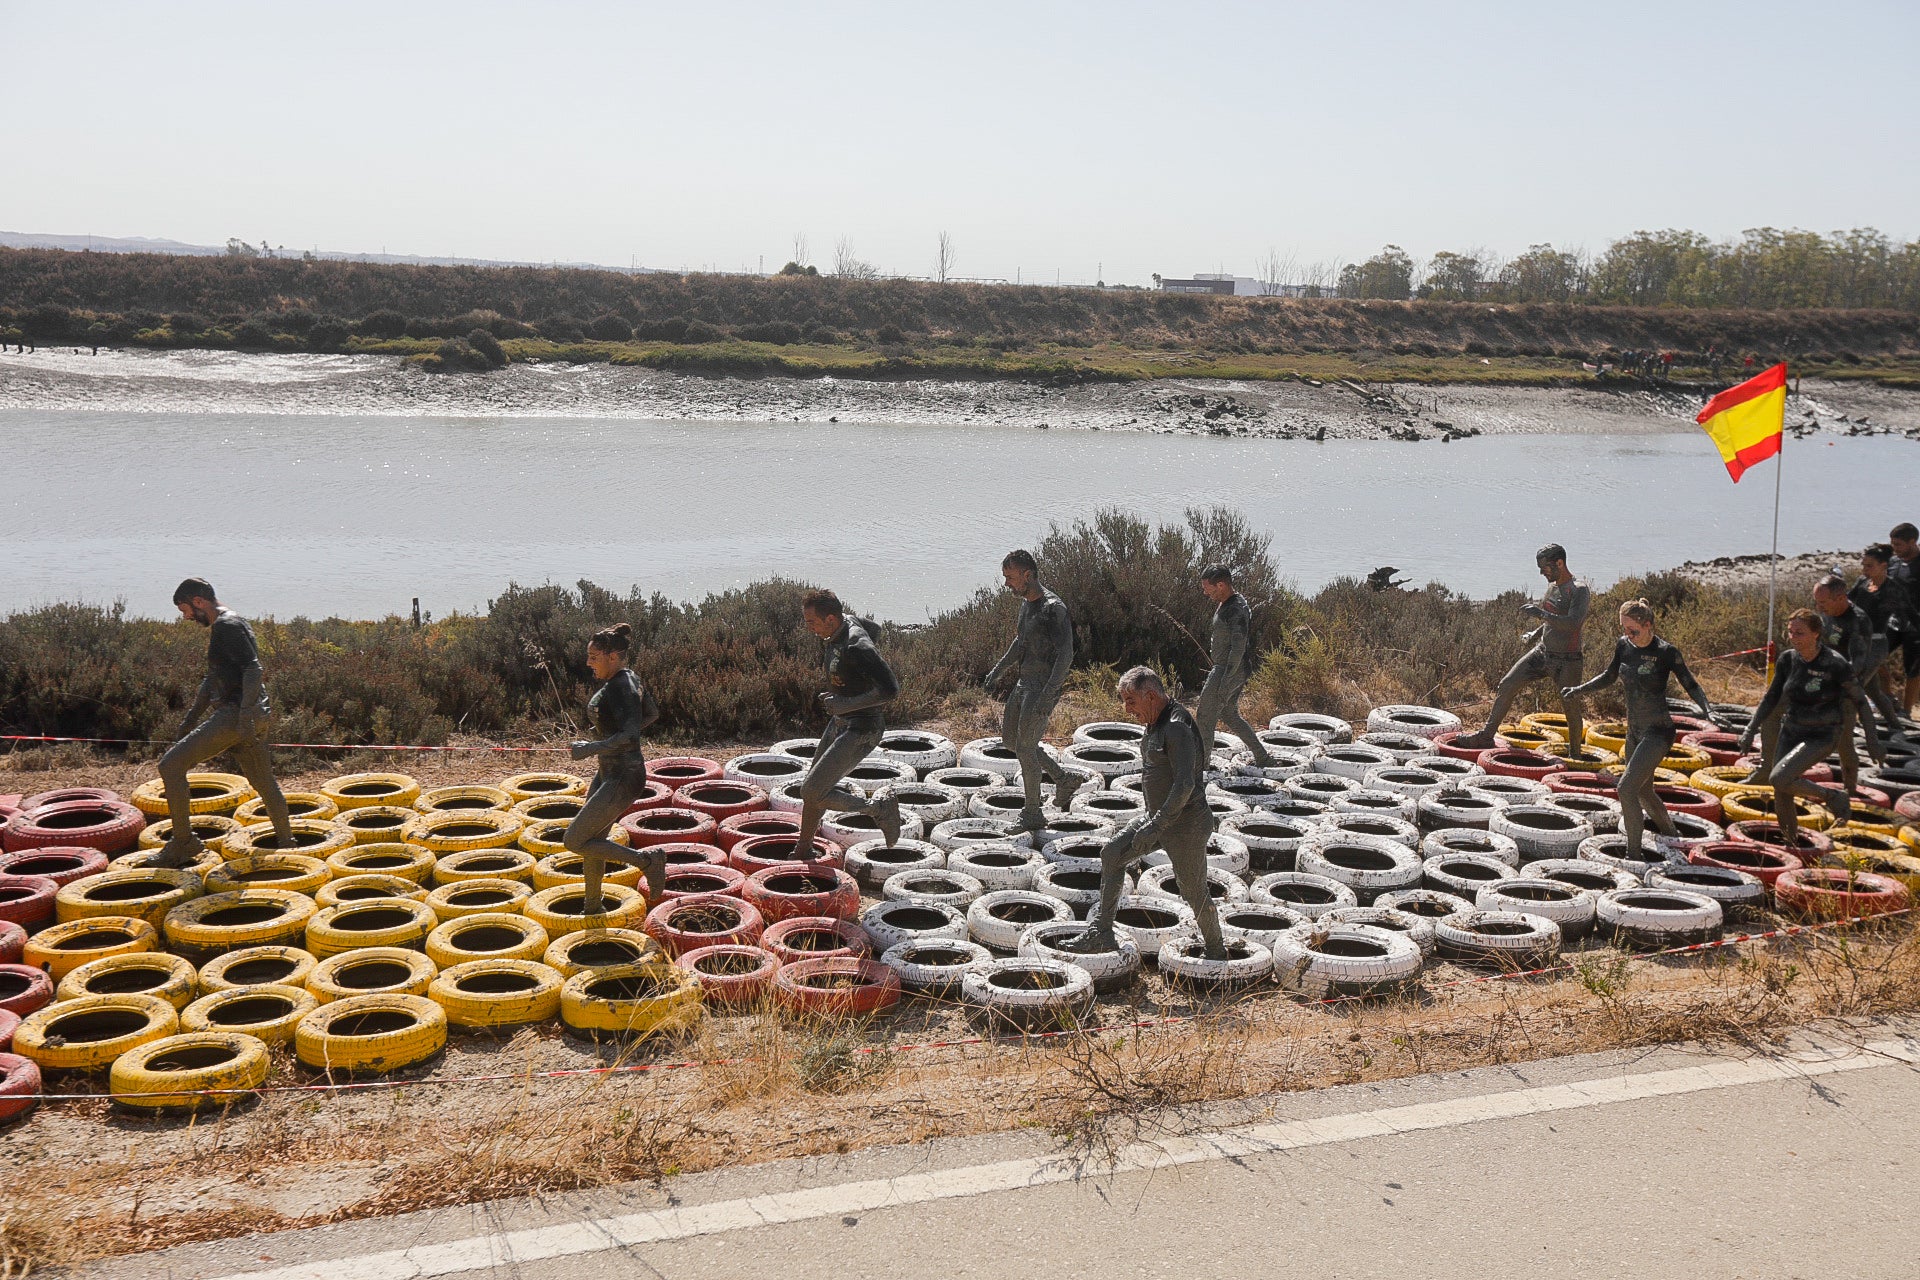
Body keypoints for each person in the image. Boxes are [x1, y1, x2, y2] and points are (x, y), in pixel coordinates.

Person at [1065, 666, 1227, 960]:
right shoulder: (1157, 720)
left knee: (1193, 891)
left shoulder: (1176, 726)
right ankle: (1102, 933)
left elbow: (1185, 783)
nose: (1127, 709)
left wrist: (1156, 826)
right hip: (1158, 817)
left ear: (1151, 696)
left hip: (1184, 823)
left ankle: (1217, 952)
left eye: (1130, 701)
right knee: (1112, 854)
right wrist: (1154, 822)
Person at [1561, 600, 1720, 865]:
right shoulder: (1624, 646)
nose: (1628, 636)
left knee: (1626, 788)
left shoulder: (1667, 652)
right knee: (1644, 792)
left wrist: (1708, 710)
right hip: (1634, 731)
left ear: (1648, 626)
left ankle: (1632, 856)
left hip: (1658, 732)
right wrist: (1578, 690)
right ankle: (1673, 836)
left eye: (1633, 631)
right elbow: (1609, 676)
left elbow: (1691, 684)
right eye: (1624, 629)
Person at [152, 578, 293, 868]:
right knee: (263, 781)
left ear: (199, 602)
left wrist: (242, 718)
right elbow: (213, 678)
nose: (186, 617)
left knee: (170, 766)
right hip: (252, 715)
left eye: (185, 610)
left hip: (237, 716)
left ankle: (184, 842)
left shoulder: (227, 626)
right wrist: (191, 718)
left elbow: (254, 670)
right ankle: (287, 844)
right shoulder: (230, 625)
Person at [1736, 608, 1883, 840]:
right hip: (1792, 729)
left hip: (1823, 734)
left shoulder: (1835, 664)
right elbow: (1771, 698)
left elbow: (1862, 703)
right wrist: (1750, 729)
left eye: (1800, 633)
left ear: (1816, 634)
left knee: (1779, 777)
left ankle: (1834, 797)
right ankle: (1790, 841)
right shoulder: (1787, 659)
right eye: (1790, 632)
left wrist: (1873, 740)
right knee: (1781, 789)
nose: (1793, 638)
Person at [984, 550, 1091, 832]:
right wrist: (998, 669)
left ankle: (1033, 813)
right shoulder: (1026, 605)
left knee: (1025, 749)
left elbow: (1065, 655)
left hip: (1041, 688)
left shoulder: (1053, 608)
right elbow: (1020, 643)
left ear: (1027, 575)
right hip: (1023, 684)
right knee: (1010, 741)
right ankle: (1063, 778)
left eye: (1010, 577)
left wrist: (1048, 695)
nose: (1006, 584)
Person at [792, 589, 903, 853]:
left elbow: (891, 690)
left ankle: (878, 809)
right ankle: (804, 846)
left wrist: (846, 703)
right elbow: (874, 628)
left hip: (862, 728)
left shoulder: (856, 645)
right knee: (815, 785)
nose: (809, 628)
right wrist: (848, 687)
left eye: (811, 622)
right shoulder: (847, 624)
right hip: (842, 721)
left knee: (811, 791)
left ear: (830, 619)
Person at [565, 622, 663, 912]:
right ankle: (593, 906)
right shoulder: (628, 678)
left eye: (594, 657)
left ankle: (647, 861)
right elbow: (652, 714)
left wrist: (592, 747)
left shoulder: (623, 686)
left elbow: (631, 735)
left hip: (624, 775)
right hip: (608, 772)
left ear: (612, 656)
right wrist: (609, 741)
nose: (588, 663)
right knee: (594, 839)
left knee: (574, 840)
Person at [1454, 544, 1590, 752]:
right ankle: (1486, 736)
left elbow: (1572, 623)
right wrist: (1535, 633)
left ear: (1559, 563)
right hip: (1543, 652)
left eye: (1544, 567)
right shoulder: (1553, 586)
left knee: (1570, 707)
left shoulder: (1579, 589)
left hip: (1568, 660)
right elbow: (1552, 621)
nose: (1541, 572)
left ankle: (1576, 757)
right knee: (1508, 683)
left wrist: (1540, 614)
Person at [1196, 565, 1275, 769]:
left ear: (1221, 585)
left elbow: (1238, 648)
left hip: (1229, 669)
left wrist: (1225, 681)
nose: (1205, 592)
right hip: (1230, 669)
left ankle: (1201, 765)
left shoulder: (1236, 609)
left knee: (1205, 716)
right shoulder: (1228, 603)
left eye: (1208, 588)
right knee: (1229, 714)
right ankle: (1263, 757)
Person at [1812, 575, 1876, 794]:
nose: (1818, 607)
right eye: (1816, 602)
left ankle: (1850, 789)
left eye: (1822, 603)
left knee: (1843, 741)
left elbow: (1857, 663)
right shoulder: (1826, 614)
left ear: (1840, 598)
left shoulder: (1858, 620)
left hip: (1844, 688)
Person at [1850, 544, 1913, 744]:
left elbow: (1909, 614)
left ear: (1883, 566)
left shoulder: (1892, 588)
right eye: (1863, 565)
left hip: (1876, 645)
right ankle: (1896, 725)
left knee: (1853, 686)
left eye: (1869, 566)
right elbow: (1846, 603)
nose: (1864, 570)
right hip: (1856, 642)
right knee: (1873, 691)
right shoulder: (1861, 582)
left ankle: (1847, 728)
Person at [1886, 522, 1919, 715]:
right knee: (1872, 656)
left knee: (1913, 669)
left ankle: (1906, 712)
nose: (1894, 549)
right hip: (1893, 621)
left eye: (1898, 544)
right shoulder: (1893, 562)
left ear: (1912, 542)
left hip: (1916, 626)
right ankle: (1888, 699)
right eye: (1892, 544)